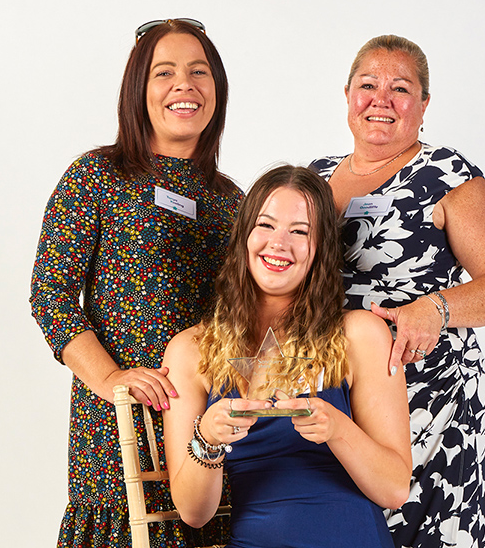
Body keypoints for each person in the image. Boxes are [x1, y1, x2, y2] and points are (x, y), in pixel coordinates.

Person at [29, 19, 243, 548]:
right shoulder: (96, 176)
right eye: (163, 72)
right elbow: (50, 296)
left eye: (199, 72)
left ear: (217, 88)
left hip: (205, 437)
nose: (184, 85)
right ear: (137, 90)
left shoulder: (233, 202)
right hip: (115, 435)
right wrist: (109, 378)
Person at [309, 35, 485, 548]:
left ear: (423, 105)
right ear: (346, 95)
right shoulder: (315, 177)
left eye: (400, 88)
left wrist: (437, 307)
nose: (380, 99)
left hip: (435, 398)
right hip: (344, 401)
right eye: (368, 85)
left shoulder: (446, 174)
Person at [162, 165, 412, 548]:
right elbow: (194, 513)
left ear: (320, 249)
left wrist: (338, 429)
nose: (279, 243)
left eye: (300, 232)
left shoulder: (360, 334)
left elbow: (394, 489)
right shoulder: (190, 350)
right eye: (266, 225)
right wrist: (207, 438)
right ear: (244, 235)